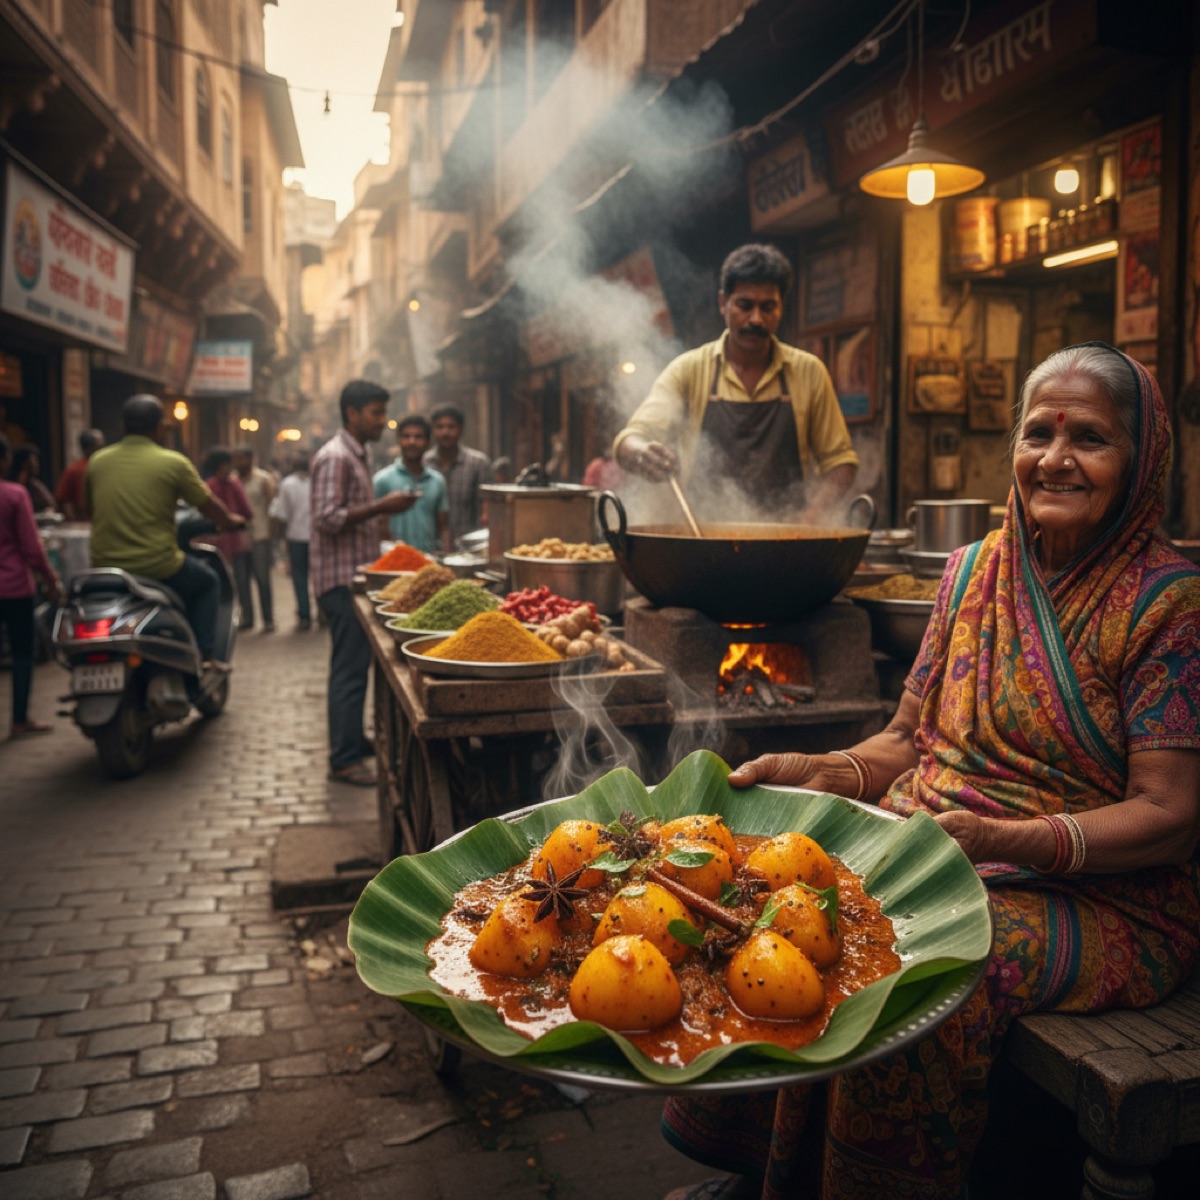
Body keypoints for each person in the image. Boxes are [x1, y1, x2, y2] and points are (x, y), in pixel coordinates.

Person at [661, 343, 1200, 1200]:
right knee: (785, 904)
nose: (1055, 458)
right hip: (939, 851)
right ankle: (775, 1172)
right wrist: (823, 769)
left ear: (1141, 463)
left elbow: (1170, 815)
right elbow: (908, 741)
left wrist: (1003, 838)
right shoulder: (971, 572)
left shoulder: (1168, 604)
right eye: (1038, 434)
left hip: (1105, 898)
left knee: (917, 963)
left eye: (1090, 439)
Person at [614, 243, 858, 519]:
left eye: (768, 307)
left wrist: (810, 518)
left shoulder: (808, 372)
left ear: (780, 309)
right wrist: (642, 452)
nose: (756, 319)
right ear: (723, 304)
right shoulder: (688, 370)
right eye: (745, 305)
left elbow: (840, 463)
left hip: (786, 541)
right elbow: (630, 439)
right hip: (702, 539)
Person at [87, 394, 244, 668]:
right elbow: (208, 506)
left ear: (123, 428)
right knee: (208, 581)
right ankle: (204, 656)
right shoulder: (173, 462)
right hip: (157, 565)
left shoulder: (97, 462)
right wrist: (230, 520)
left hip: (106, 568)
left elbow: (88, 507)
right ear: (159, 428)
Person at [311, 380, 416, 787]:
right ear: (352, 413)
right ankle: (343, 759)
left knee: (354, 666)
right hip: (340, 581)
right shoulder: (336, 457)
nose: (383, 420)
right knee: (349, 670)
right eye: (376, 412)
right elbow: (326, 517)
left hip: (354, 576)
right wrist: (382, 507)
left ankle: (352, 740)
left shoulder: (357, 455)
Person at [0, 433, 62, 735]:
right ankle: (19, 720)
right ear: (5, 460)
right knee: (23, 653)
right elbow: (32, 547)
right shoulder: (14, 495)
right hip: (14, 587)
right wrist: (51, 580)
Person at [373, 415, 450, 555]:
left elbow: (443, 526)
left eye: (418, 437)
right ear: (398, 440)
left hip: (429, 561)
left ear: (428, 441)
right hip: (393, 561)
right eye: (406, 436)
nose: (412, 442)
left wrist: (446, 554)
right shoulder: (382, 480)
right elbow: (373, 525)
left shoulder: (437, 481)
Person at [423, 404, 492, 545]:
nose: (445, 432)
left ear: (460, 429)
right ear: (433, 430)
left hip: (468, 545)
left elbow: (487, 506)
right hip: (430, 545)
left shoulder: (478, 463)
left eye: (451, 427)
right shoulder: (424, 462)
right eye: (440, 427)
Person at [232, 445, 277, 632]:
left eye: (242, 458)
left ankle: (268, 619)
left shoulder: (264, 479)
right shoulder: (232, 481)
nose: (239, 463)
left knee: (262, 579)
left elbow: (273, 507)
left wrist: (271, 533)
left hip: (260, 534)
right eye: (237, 459)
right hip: (239, 536)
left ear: (250, 459)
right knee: (241, 580)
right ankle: (247, 617)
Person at [270, 454, 313, 631]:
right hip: (315, 536)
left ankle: (304, 615)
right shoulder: (316, 482)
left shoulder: (287, 484)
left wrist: (280, 537)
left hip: (295, 536)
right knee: (317, 576)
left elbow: (282, 514)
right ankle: (324, 614)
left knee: (299, 577)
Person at [202, 447, 253, 581]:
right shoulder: (233, 484)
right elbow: (247, 511)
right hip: (235, 539)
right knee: (242, 582)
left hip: (214, 540)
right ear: (224, 465)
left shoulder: (207, 486)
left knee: (221, 581)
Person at [54, 428, 105, 521]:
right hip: (83, 521)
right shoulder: (74, 470)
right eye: (100, 446)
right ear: (90, 448)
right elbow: (65, 501)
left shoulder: (106, 467)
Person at [9, 444, 57, 514]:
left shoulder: (34, 485)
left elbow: (51, 505)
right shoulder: (10, 484)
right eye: (33, 460)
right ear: (24, 463)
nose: (36, 464)